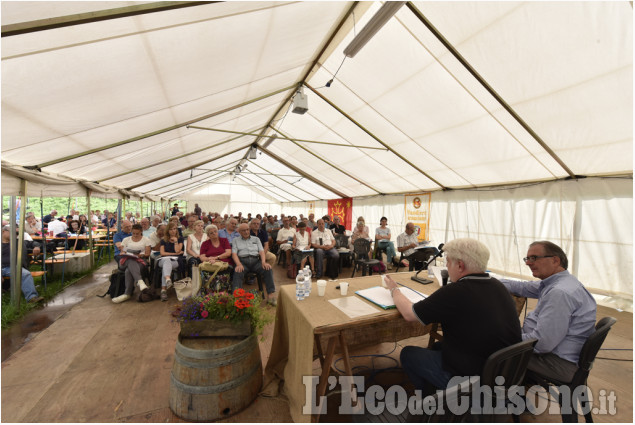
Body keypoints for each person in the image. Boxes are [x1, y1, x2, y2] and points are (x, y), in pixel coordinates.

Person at [384, 238, 521, 396]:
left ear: (460, 265)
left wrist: (394, 289)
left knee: (408, 354)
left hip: (476, 381)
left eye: (448, 262)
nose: (447, 267)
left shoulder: (456, 291)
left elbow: (408, 314)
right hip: (505, 372)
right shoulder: (498, 286)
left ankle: (431, 403)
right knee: (436, 347)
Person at [500, 241, 597, 383]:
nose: (528, 263)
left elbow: (541, 344)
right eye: (527, 259)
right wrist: (487, 279)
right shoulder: (561, 282)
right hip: (558, 355)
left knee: (489, 350)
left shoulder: (559, 293)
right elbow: (522, 287)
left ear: (555, 260)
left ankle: (498, 400)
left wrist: (504, 338)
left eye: (534, 258)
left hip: (557, 363)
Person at [231, 223, 277, 306]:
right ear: (239, 232)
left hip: (256, 261)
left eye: (247, 229)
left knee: (268, 269)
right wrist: (238, 264)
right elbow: (234, 254)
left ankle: (270, 295)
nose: (246, 232)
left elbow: (261, 251)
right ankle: (237, 298)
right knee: (237, 272)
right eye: (243, 230)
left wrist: (263, 262)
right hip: (243, 262)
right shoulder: (235, 240)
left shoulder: (256, 239)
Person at [1, 225, 44, 303]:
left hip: (13, 267)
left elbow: (33, 242)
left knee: (25, 274)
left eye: (16, 233)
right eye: (13, 232)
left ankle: (32, 298)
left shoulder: (18, 242)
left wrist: (37, 246)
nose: (15, 234)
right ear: (3, 231)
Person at [112, 224, 151, 304]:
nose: (135, 235)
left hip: (140, 260)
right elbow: (122, 252)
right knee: (130, 260)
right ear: (132, 232)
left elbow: (147, 254)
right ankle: (140, 281)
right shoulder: (126, 239)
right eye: (134, 233)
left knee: (128, 270)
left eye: (137, 233)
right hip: (125, 261)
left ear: (141, 232)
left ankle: (127, 293)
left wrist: (140, 255)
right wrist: (127, 253)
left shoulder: (146, 240)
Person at [158, 222, 184, 301]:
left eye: (174, 229)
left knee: (166, 265)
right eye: (171, 229)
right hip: (163, 260)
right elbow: (162, 253)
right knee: (166, 260)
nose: (173, 231)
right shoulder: (163, 240)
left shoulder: (180, 239)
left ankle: (164, 289)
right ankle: (168, 280)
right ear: (167, 231)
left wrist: (176, 241)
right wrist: (174, 253)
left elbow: (178, 250)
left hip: (175, 261)